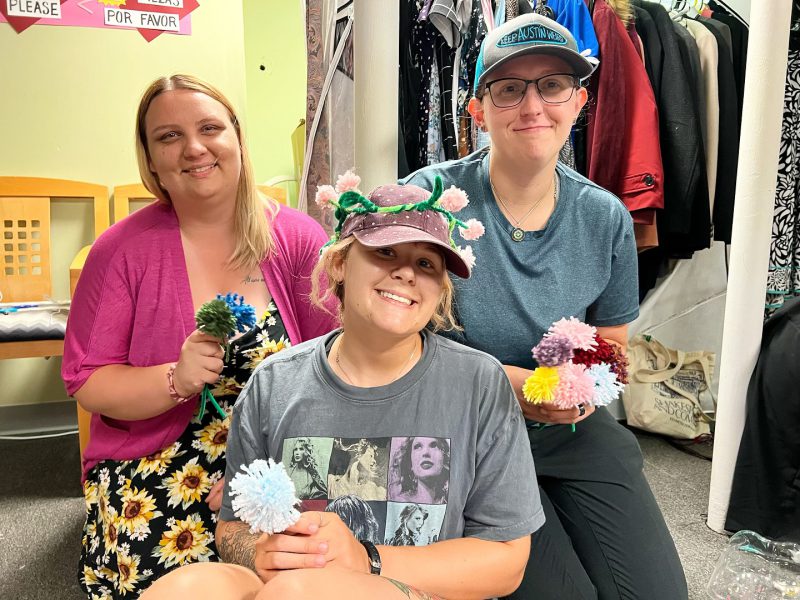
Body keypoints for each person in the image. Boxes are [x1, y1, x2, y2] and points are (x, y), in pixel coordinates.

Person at [140, 180, 544, 600]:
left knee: (298, 593)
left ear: (440, 289)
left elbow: (506, 560)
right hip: (286, 584)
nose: (406, 272)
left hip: (412, 588)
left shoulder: (478, 383)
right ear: (339, 263)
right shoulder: (273, 383)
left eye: (426, 264)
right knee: (188, 588)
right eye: (385, 251)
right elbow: (233, 527)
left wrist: (364, 559)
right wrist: (257, 552)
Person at [402, 13, 688, 600]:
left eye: (552, 84)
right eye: (509, 89)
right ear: (478, 110)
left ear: (579, 101)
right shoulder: (431, 198)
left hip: (571, 430)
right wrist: (519, 387)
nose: (533, 105)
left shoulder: (603, 215)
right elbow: (396, 343)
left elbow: (611, 346)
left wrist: (581, 386)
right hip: (466, 435)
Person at [62, 74, 337, 598]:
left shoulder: (299, 239)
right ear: (150, 159)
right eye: (168, 136)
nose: (193, 147)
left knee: (307, 572)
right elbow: (88, 381)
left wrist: (265, 472)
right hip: (156, 456)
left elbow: (336, 366)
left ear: (236, 137)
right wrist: (175, 378)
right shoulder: (119, 252)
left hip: (277, 452)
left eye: (210, 128)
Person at [389, 436, 449, 504]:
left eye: (434, 445)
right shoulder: (398, 501)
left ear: (444, 459)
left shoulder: (452, 500)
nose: (425, 452)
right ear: (410, 463)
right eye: (418, 446)